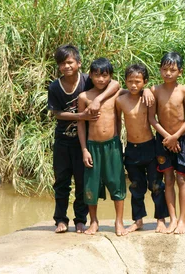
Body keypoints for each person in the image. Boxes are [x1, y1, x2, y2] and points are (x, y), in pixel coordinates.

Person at [47, 44, 120, 234]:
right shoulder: (55, 86)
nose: (66, 66)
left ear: (78, 63)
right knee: (61, 181)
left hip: (85, 142)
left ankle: (81, 219)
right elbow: (56, 113)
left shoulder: (87, 81)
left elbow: (115, 84)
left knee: (82, 181)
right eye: (62, 63)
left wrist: (97, 100)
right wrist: (81, 117)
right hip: (63, 139)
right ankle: (61, 220)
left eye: (70, 62)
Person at [116, 64, 169, 234]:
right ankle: (138, 220)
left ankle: (160, 219)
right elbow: (117, 121)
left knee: (156, 185)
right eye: (130, 81)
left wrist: (146, 91)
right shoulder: (121, 100)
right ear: (125, 81)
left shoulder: (148, 98)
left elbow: (154, 116)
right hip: (131, 148)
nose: (133, 85)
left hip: (150, 147)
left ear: (144, 82)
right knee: (136, 186)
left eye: (138, 81)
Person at [77, 58, 126, 236]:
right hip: (92, 146)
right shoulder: (83, 97)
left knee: (116, 182)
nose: (100, 79)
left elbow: (118, 84)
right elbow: (81, 125)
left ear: (110, 76)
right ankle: (94, 221)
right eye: (96, 75)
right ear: (90, 75)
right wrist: (84, 149)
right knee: (91, 184)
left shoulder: (116, 93)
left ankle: (119, 222)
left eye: (104, 76)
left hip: (112, 145)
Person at [149, 53, 185, 235]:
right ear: (160, 70)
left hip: (181, 139)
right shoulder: (155, 90)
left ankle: (183, 219)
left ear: (180, 72)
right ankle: (172, 219)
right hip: (163, 138)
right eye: (165, 69)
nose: (168, 73)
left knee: (182, 179)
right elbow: (152, 118)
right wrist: (168, 137)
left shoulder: (184, 90)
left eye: (172, 70)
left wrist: (176, 136)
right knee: (168, 179)